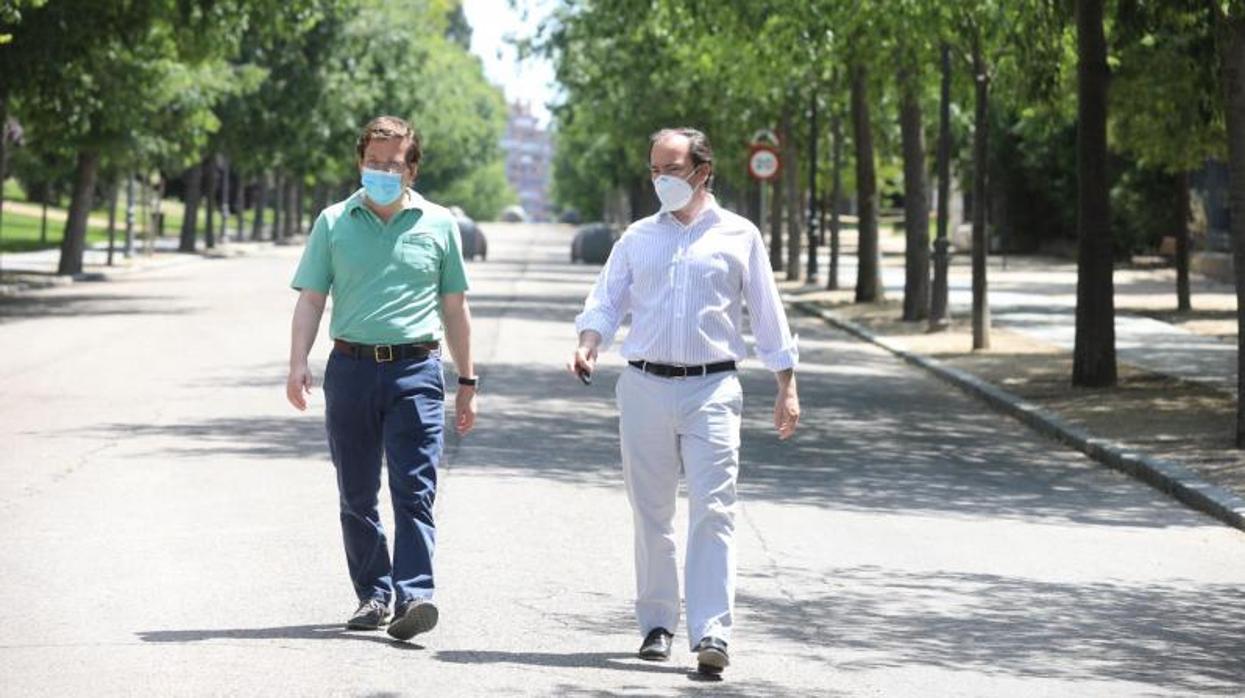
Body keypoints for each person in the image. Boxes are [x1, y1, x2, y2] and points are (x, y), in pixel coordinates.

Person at [570, 127, 800, 676]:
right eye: (654, 170)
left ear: (702, 171)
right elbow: (607, 299)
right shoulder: (638, 237)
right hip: (645, 384)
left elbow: (768, 314)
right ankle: (656, 624)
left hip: (713, 387)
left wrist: (786, 384)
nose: (661, 180)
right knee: (651, 513)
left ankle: (713, 631)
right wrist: (588, 343)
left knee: (714, 510)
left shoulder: (739, 235)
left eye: (671, 170)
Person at [286, 115, 478, 642]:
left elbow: (455, 307)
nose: (382, 172)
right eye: (374, 163)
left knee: (414, 488)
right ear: (360, 162)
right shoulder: (333, 221)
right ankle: (374, 593)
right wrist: (298, 360)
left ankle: (414, 594)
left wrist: (467, 380)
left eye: (393, 165)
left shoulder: (439, 225)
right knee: (356, 492)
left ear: (411, 169)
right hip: (349, 369)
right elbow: (310, 300)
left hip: (416, 369)